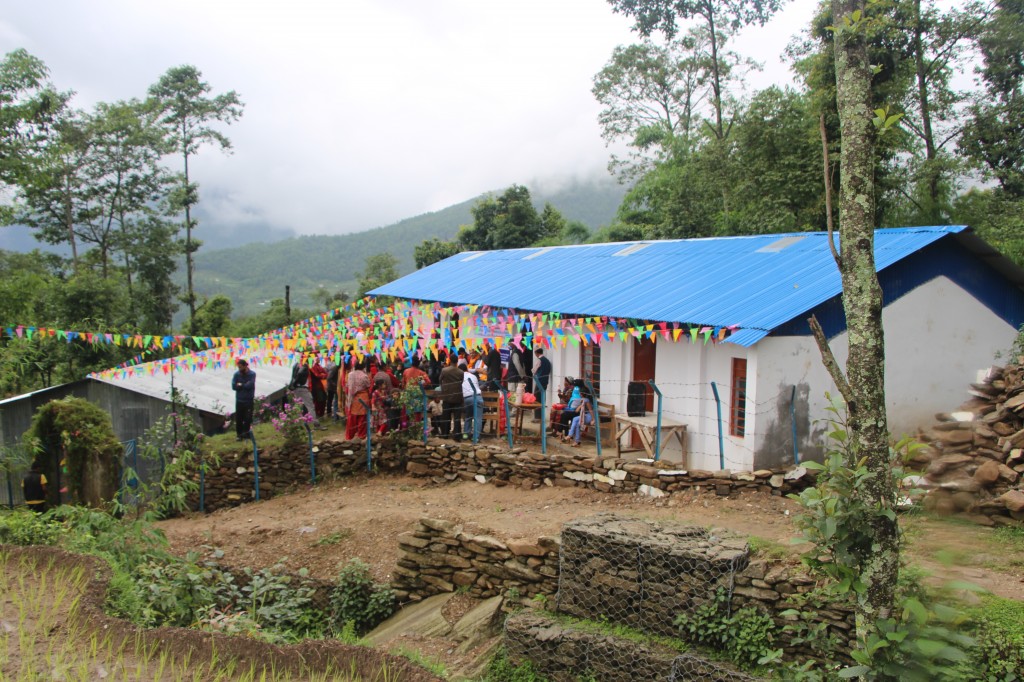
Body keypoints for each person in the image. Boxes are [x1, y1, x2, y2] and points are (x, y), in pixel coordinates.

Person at [290, 357, 323, 430]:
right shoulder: (304, 366)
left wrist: (294, 385)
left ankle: (299, 424)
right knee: (310, 406)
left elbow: (293, 376)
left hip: (297, 388)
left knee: (300, 407)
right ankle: (316, 424)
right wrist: (296, 383)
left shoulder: (296, 364)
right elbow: (300, 373)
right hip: (303, 388)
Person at [438, 356, 464, 438]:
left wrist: (444, 388)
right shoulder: (461, 372)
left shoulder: (444, 370)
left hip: (447, 395)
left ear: (450, 360)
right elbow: (461, 382)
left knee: (446, 416)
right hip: (457, 396)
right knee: (457, 418)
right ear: (457, 361)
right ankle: (457, 435)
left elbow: (440, 380)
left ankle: (445, 434)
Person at [231, 358, 256, 440]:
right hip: (239, 400)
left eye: (241, 367)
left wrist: (240, 384)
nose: (239, 369)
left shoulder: (252, 374)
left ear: (245, 366)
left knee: (248, 418)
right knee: (239, 418)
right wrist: (243, 385)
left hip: (248, 400)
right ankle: (239, 435)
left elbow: (249, 385)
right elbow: (234, 386)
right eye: (238, 367)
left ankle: (246, 434)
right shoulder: (236, 375)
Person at [346, 358, 371, 439]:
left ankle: (350, 436)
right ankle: (362, 435)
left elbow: (349, 387)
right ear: (363, 366)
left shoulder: (350, 375)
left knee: (353, 417)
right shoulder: (364, 376)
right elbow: (368, 385)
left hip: (353, 397)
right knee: (362, 417)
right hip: (363, 396)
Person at [461, 362, 484, 441]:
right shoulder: (473, 376)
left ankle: (466, 434)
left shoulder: (460, 377)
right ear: (466, 369)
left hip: (467, 398)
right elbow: (477, 387)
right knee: (478, 418)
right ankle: (476, 437)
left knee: (468, 416)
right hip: (477, 397)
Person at [531, 347, 552, 421]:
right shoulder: (547, 361)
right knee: (542, 398)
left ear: (536, 353)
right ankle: (542, 416)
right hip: (545, 381)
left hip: (539, 381)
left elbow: (534, 370)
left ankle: (537, 417)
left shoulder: (539, 360)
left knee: (537, 398)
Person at [309, 353, 328, 418]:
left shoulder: (319, 366)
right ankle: (318, 414)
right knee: (319, 400)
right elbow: (317, 375)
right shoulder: (312, 366)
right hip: (316, 386)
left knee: (323, 399)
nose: (319, 359)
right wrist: (323, 375)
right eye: (317, 358)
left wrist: (323, 374)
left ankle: (321, 414)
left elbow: (325, 373)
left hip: (321, 386)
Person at [326, 356, 340, 422]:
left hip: (335, 387)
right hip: (331, 387)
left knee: (334, 401)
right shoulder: (335, 368)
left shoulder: (338, 368)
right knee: (331, 400)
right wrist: (335, 384)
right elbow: (329, 378)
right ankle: (330, 414)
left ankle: (334, 415)